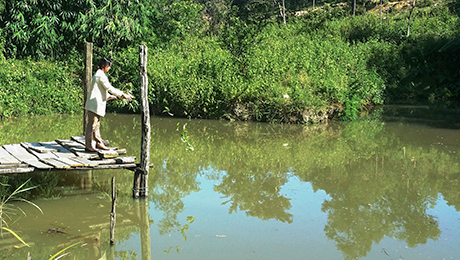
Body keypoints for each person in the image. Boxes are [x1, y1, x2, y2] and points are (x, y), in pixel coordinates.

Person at [85, 58, 132, 152]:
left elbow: (101, 89)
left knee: (96, 125)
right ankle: (88, 145)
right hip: (94, 104)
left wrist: (111, 97)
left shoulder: (100, 75)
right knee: (92, 125)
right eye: (109, 66)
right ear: (105, 66)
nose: (109, 68)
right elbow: (109, 87)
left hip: (96, 104)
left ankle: (99, 143)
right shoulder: (100, 75)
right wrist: (122, 94)